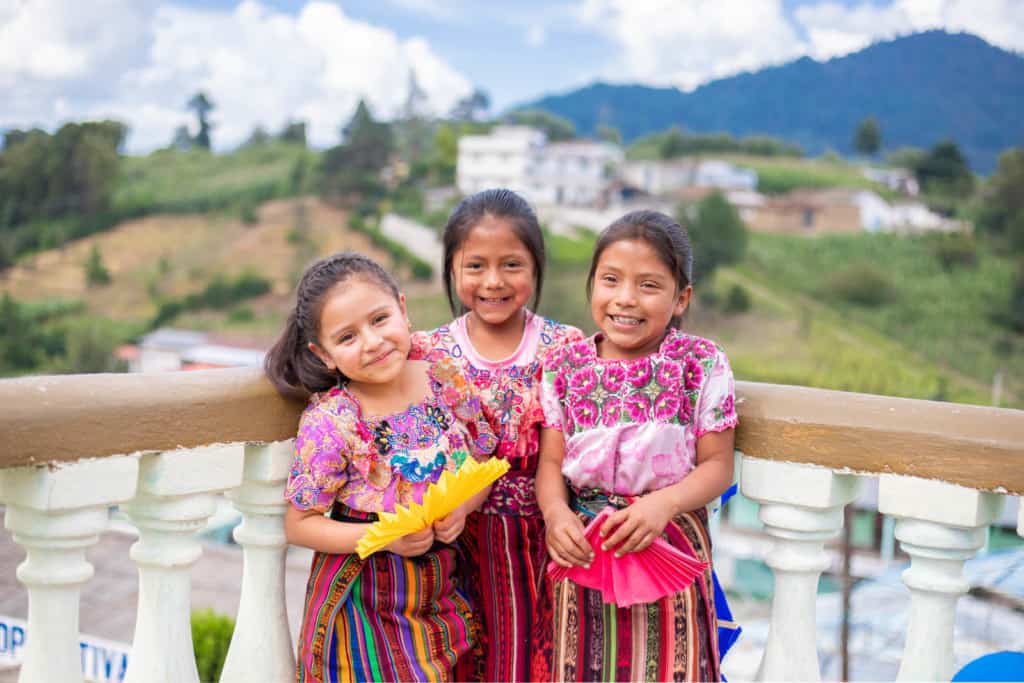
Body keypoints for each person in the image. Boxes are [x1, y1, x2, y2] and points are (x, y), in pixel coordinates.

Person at [265, 252, 497, 683]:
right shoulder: (332, 421)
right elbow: (299, 525)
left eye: (379, 319)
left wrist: (463, 508)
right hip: (364, 602)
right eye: (347, 337)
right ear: (324, 354)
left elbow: (483, 460)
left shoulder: (444, 379)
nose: (372, 342)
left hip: (443, 585)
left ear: (403, 310)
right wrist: (384, 538)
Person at [534, 210, 739, 682]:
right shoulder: (562, 366)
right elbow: (551, 461)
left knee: (674, 668)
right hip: (585, 545)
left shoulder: (700, 363)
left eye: (649, 285)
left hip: (667, 536)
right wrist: (556, 515)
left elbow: (717, 466)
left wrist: (660, 506)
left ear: (681, 297)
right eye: (610, 279)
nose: (625, 299)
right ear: (591, 286)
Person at [409, 189, 583, 682]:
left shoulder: (564, 348)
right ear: (451, 269)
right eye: (475, 266)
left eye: (511, 265)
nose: (493, 282)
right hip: (452, 545)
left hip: (542, 541)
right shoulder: (428, 352)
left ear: (536, 266)